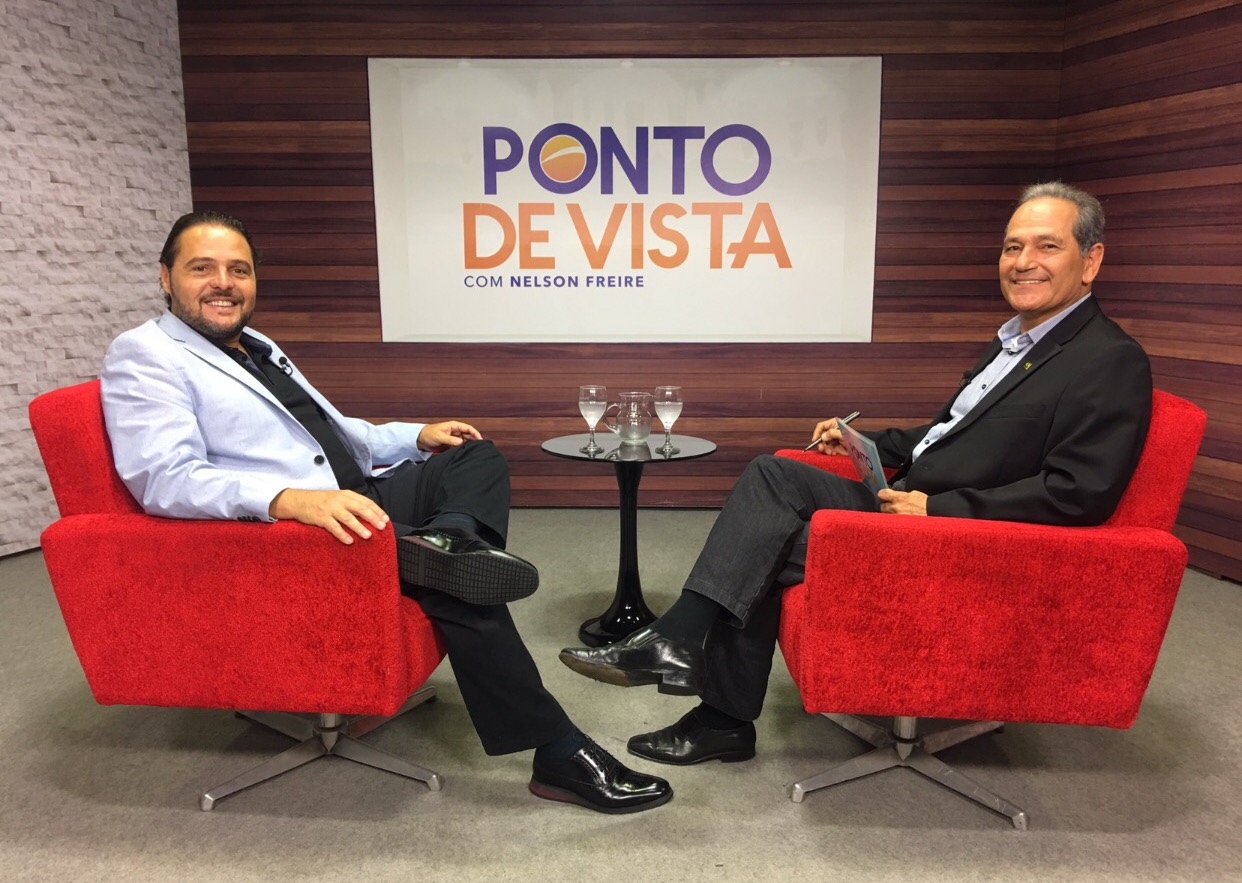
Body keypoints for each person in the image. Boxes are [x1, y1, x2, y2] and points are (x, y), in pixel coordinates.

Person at [559, 181, 1154, 766]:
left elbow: (1080, 494)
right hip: (908, 503)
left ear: (1090, 260)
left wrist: (936, 508)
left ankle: (714, 706)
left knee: (764, 541)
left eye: (1047, 246)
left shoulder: (1108, 360)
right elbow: (952, 434)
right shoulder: (1016, 342)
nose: (1023, 262)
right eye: (1012, 247)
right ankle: (687, 655)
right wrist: (860, 442)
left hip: (960, 535)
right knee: (773, 475)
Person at [101, 210, 671, 814]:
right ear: (165, 277)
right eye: (202, 268)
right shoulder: (145, 354)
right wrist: (290, 500)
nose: (224, 283)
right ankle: (556, 751)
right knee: (462, 594)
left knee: (473, 456)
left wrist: (415, 435)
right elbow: (164, 478)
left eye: (238, 270)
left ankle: (448, 544)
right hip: (297, 529)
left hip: (356, 493)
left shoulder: (257, 345)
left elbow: (335, 432)